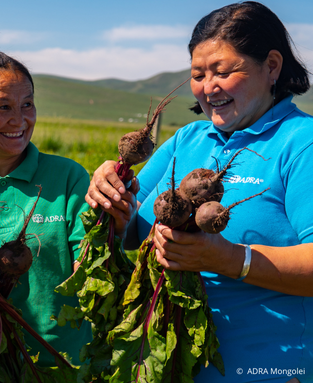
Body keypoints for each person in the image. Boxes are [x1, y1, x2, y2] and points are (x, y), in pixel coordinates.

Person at [87, 2, 313, 382]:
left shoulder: (302, 143)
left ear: (272, 66)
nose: (209, 87)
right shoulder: (186, 139)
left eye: (223, 71)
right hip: (173, 364)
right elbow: (132, 229)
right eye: (198, 74)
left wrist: (229, 260)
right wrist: (111, 190)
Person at [0, 51, 131, 367]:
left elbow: (85, 271)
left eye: (27, 104)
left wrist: (112, 232)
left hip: (58, 362)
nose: (20, 119)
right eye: (3, 107)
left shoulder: (68, 177)